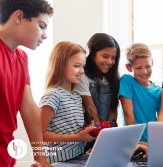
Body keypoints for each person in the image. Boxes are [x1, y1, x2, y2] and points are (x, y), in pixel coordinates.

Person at [0, 0, 53, 166]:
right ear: (19, 16)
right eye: (41, 25)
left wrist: (40, 157)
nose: (45, 35)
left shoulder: (21, 58)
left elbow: (29, 107)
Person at [39, 41, 96, 164]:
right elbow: (39, 135)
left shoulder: (76, 96)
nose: (81, 71)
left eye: (83, 66)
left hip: (77, 158)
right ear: (60, 65)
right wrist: (77, 137)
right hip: (57, 162)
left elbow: (72, 130)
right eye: (77, 66)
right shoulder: (53, 95)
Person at [74, 33, 120, 152]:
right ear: (92, 54)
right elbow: (91, 110)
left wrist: (109, 137)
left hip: (104, 137)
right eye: (105, 56)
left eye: (113, 57)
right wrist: (99, 141)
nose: (110, 61)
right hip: (88, 136)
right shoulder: (82, 76)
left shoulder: (111, 79)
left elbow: (112, 110)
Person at [119, 43, 162, 142]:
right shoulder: (127, 81)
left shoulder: (158, 90)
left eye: (147, 66)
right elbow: (128, 113)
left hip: (152, 142)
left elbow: (161, 121)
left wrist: (157, 142)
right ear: (129, 67)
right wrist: (134, 142)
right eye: (138, 68)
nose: (144, 71)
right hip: (132, 141)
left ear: (152, 62)